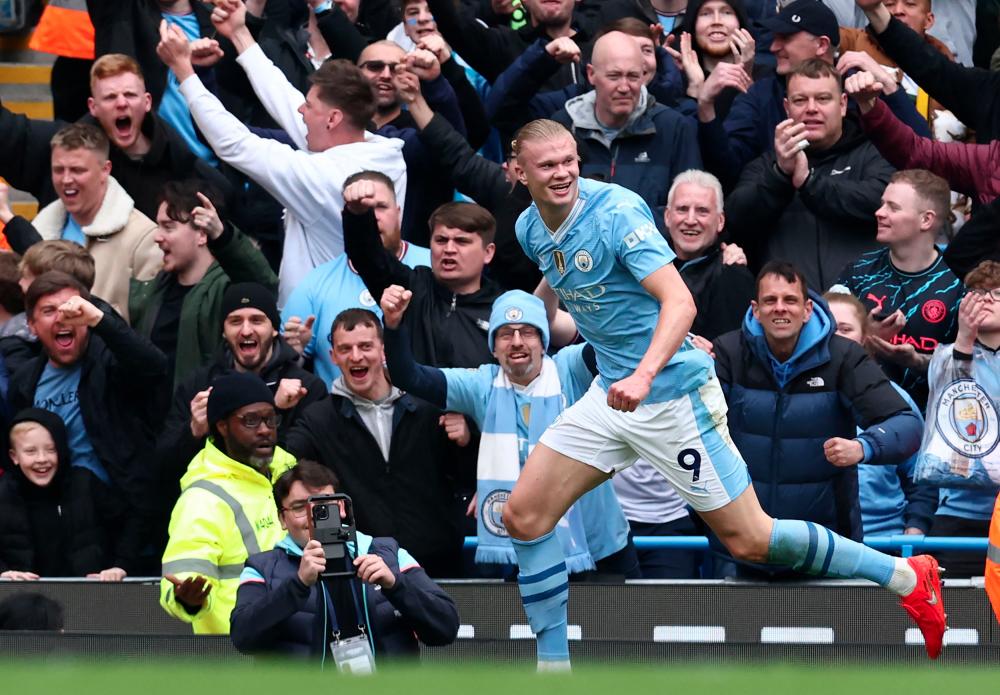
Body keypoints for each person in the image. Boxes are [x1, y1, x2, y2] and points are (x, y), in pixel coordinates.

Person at [495, 117, 945, 669]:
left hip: (674, 397)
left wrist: (643, 375)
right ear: (519, 172)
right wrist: (532, 321)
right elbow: (558, 276)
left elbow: (679, 304)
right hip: (610, 397)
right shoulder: (528, 228)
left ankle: (905, 575)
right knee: (524, 517)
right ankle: (553, 670)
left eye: (570, 160)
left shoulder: (614, 212)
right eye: (549, 166)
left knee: (752, 540)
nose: (565, 172)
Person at [155, 4, 406, 305]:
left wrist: (183, 72)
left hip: (330, 327)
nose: (300, 110)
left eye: (309, 107)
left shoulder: (323, 178)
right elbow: (284, 97)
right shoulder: (380, 152)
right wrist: (240, 33)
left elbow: (234, 143)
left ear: (333, 119)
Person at [380, 287, 637, 577]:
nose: (516, 342)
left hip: (599, 545)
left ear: (543, 341)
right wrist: (393, 324)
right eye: (505, 333)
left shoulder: (570, 368)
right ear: (493, 347)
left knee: (616, 624)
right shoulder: (481, 385)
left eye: (527, 331)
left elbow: (615, 344)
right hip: (526, 549)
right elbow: (408, 376)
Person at [709, 262, 923, 574]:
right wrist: (693, 367)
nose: (780, 308)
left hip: (826, 546)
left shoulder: (843, 356)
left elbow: (907, 424)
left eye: (790, 300)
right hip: (741, 546)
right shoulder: (728, 352)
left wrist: (864, 447)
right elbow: (694, 421)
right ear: (755, 309)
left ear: (808, 309)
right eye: (770, 300)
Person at [285, 309, 466, 578]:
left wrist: (466, 439)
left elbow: (464, 475)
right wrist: (279, 411)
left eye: (365, 346)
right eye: (345, 349)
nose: (356, 356)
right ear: (333, 356)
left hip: (439, 564)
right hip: (362, 568)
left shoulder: (429, 405)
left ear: (383, 350)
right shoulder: (317, 419)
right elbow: (279, 465)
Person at [8, 271, 167, 571]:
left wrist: (100, 321)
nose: (62, 318)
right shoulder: (25, 380)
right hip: (65, 527)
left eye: (71, 307)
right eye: (48, 311)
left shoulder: (110, 361)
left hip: (127, 521)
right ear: (31, 325)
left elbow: (155, 367)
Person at [230, 461, 460, 659]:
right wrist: (297, 584)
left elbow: (445, 628)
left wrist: (396, 585)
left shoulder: (389, 553)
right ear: (282, 518)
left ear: (341, 507)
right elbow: (243, 638)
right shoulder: (261, 567)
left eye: (324, 505)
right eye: (301, 507)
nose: (314, 517)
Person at [696, 0, 927, 186]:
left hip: (856, 212)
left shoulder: (860, 86)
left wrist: (886, 82)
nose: (774, 47)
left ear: (822, 45)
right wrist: (706, 108)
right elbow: (726, 169)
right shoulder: (761, 94)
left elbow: (922, 150)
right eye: (799, 101)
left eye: (785, 38)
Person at [156, 282, 326, 518]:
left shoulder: (305, 387)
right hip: (215, 515)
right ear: (224, 331)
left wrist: (276, 412)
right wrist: (193, 432)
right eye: (235, 321)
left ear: (274, 329)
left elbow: (302, 467)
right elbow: (163, 469)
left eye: (257, 320)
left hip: (285, 518)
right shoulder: (199, 385)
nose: (246, 330)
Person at [724, 58, 894, 290]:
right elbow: (735, 220)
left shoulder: (874, 153)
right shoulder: (766, 165)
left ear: (843, 104)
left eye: (823, 99)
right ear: (787, 108)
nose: (811, 108)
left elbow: (880, 203)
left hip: (862, 306)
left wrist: (809, 182)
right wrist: (780, 175)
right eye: (800, 100)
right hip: (788, 310)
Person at [0, 53, 231, 221]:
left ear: (147, 102)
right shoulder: (59, 148)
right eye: (110, 97)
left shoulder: (181, 167)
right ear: (93, 106)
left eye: (129, 95)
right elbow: (8, 132)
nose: (121, 103)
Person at [159, 372, 297, 634]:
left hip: (301, 648)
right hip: (238, 656)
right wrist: (186, 600)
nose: (265, 429)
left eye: (270, 419)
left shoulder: (289, 471)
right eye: (251, 421)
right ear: (222, 426)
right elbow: (181, 575)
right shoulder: (202, 498)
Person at [1, 123, 162, 323]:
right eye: (58, 170)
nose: (66, 179)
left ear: (105, 170)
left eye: (77, 170)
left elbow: (148, 328)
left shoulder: (143, 239)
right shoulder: (41, 228)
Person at [282, 171, 429, 389]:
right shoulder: (314, 285)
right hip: (343, 417)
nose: (373, 217)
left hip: (422, 413)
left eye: (381, 207)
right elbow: (285, 367)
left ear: (398, 212)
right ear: (349, 217)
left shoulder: (431, 268)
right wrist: (295, 352)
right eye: (364, 210)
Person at [129, 180, 277, 391]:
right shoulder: (154, 289)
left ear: (201, 234)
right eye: (158, 226)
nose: (157, 237)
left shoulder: (228, 289)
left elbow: (262, 286)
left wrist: (223, 236)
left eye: (168, 227)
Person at [831, 170, 962, 409]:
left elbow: (977, 365)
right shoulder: (858, 273)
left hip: (941, 421)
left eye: (893, 207)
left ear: (926, 220)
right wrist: (867, 336)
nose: (879, 213)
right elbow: (821, 344)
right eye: (882, 204)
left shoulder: (959, 280)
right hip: (865, 416)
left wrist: (918, 361)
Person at [344, 188, 502, 369]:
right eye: (441, 240)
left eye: (461, 241)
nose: (449, 249)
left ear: (488, 252)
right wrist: (357, 215)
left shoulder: (502, 308)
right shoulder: (411, 289)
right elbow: (367, 257)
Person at [822, 291, 936, 539]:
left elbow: (921, 479)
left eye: (845, 329)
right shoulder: (786, 394)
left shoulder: (896, 399)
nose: (835, 337)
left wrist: (914, 530)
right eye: (827, 327)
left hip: (884, 544)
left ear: (864, 338)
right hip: (810, 544)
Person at [916, 261, 1000, 578]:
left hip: (999, 510)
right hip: (958, 509)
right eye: (977, 293)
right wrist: (965, 338)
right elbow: (947, 397)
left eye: (997, 293)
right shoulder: (945, 356)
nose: (987, 299)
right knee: (957, 609)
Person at [0, 408, 138, 581]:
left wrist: (119, 565)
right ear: (14, 456)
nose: (42, 459)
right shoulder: (4, 493)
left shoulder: (83, 483)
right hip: (22, 597)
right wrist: (3, 572)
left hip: (86, 593)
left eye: (51, 450)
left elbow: (132, 522)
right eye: (31, 451)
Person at [839, 0, 955, 133]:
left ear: (928, 20)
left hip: (936, 150)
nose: (898, 10)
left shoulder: (944, 61)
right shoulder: (855, 41)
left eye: (910, 4)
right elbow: (818, 31)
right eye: (888, 4)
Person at [664, 169, 754, 340]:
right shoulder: (647, 266)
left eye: (702, 211)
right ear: (667, 217)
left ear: (720, 221)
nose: (690, 220)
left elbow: (735, 354)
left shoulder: (731, 273)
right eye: (682, 209)